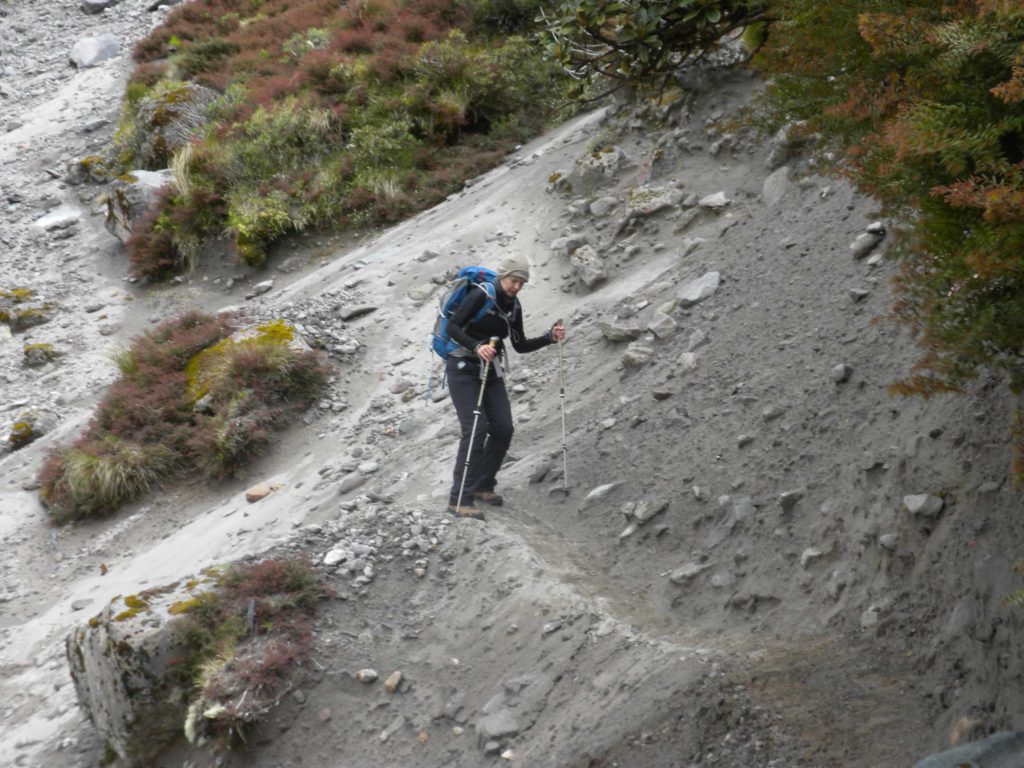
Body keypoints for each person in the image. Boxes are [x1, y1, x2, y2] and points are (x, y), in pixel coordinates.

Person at [444, 255, 565, 519]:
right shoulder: (481, 294)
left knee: (503, 427)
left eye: (522, 282)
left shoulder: (514, 307)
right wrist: (477, 346)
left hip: (491, 371)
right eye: (514, 280)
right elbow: (452, 327)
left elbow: (520, 345)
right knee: (476, 428)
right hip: (462, 368)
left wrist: (548, 338)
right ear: (502, 276)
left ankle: (482, 486)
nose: (517, 287)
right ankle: (459, 499)